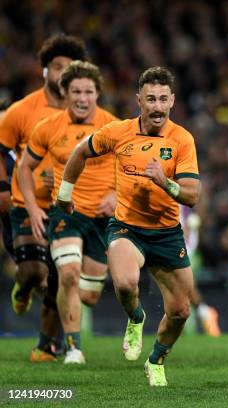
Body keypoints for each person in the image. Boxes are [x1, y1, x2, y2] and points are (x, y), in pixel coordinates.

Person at [56, 66, 200, 386]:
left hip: (166, 233)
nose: (157, 106)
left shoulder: (182, 140)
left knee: (180, 311)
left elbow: (192, 195)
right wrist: (65, 195)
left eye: (163, 99)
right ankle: (136, 317)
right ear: (139, 100)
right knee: (124, 283)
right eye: (151, 99)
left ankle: (156, 360)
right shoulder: (117, 132)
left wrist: (166, 183)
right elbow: (81, 152)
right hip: (126, 228)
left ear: (172, 100)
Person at [19, 61, 118, 364]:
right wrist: (34, 208)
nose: (82, 97)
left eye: (88, 91)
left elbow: (132, 169)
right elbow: (25, 168)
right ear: (65, 92)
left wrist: (116, 194)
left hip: (101, 219)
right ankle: (74, 348)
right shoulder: (48, 128)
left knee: (89, 295)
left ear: (98, 93)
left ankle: (59, 303)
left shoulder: (114, 127)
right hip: (66, 212)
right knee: (69, 274)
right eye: (76, 91)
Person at [0, 34, 87, 362]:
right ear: (45, 72)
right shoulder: (22, 111)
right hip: (25, 204)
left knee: (58, 277)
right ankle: (22, 287)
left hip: (67, 207)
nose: (62, 74)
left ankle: (45, 345)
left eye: (70, 68)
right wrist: (3, 190)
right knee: (36, 272)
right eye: (57, 67)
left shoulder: (84, 112)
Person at [181, 204, 222, 337]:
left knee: (183, 287)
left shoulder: (176, 191)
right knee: (181, 291)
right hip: (176, 244)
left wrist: (189, 225)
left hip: (183, 247)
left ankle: (204, 314)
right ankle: (203, 315)